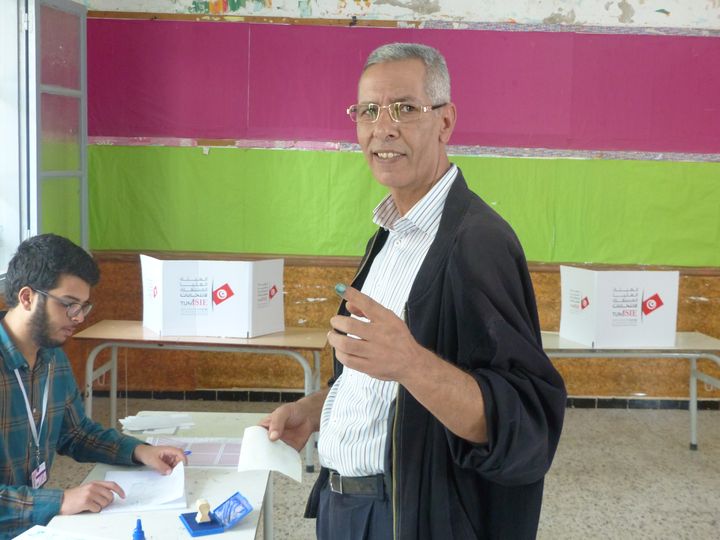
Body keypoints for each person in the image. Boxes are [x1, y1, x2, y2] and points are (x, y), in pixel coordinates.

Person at [262, 43, 567, 539]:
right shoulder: (390, 232)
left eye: (405, 108)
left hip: (408, 516)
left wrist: (411, 361)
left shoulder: (477, 243)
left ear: (445, 122)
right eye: (367, 111)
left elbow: (523, 419)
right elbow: (385, 386)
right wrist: (315, 412)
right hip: (343, 507)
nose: (383, 128)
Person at [0, 234, 187, 538]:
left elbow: (75, 432)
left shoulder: (52, 357)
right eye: (69, 305)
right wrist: (59, 500)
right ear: (27, 297)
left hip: (33, 528)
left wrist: (139, 451)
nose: (78, 318)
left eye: (84, 307)